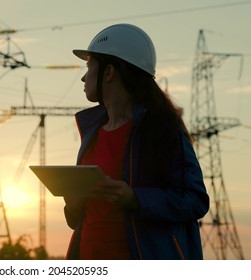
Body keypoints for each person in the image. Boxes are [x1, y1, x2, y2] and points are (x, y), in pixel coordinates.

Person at [64, 23, 210, 260]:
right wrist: (73, 204)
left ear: (109, 72)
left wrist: (135, 198)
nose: (83, 76)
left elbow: (195, 200)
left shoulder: (163, 130)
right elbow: (78, 219)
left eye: (89, 66)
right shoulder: (91, 132)